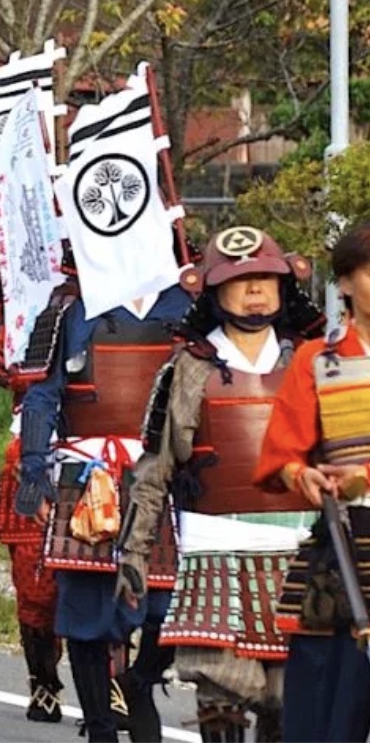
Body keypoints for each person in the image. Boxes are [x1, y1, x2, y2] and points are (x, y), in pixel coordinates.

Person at [117, 227, 321, 743]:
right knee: (218, 691)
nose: (255, 289)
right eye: (241, 279)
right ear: (213, 290)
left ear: (284, 287)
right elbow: (154, 470)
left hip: (301, 553)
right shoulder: (186, 369)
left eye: (265, 278)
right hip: (215, 554)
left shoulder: (314, 364)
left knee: (293, 695)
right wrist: (134, 554)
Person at [16, 250, 193, 742]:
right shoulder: (69, 308)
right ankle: (99, 728)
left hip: (163, 477)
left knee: (170, 612)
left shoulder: (189, 305)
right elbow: (43, 393)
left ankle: (138, 683)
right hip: (86, 473)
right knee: (87, 614)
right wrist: (35, 469)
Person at [254, 219, 370, 743]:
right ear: (345, 282)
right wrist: (301, 475)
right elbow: (282, 452)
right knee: (325, 718)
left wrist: (362, 477)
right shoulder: (315, 360)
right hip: (344, 551)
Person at [0, 266, 72, 723]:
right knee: (35, 582)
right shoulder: (23, 269)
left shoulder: (143, 261)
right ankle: (44, 678)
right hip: (33, 439)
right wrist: (31, 371)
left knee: (119, 577)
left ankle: (116, 681)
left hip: (117, 443)